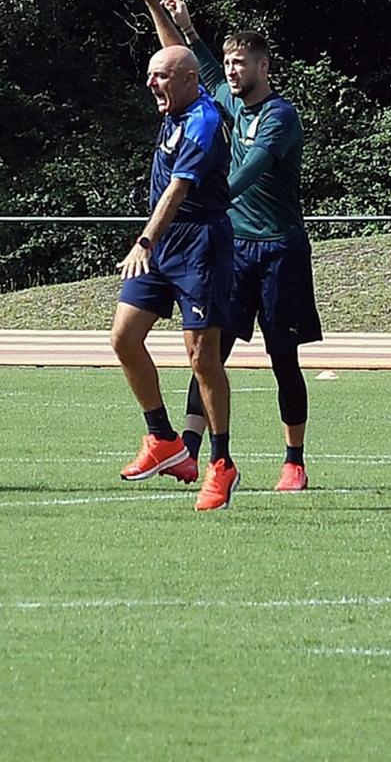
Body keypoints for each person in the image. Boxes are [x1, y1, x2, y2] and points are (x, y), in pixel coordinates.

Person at [138, 0, 328, 490]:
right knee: (207, 353)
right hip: (232, 248)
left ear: (263, 67)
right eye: (227, 63)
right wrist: (163, 9)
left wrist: (199, 195)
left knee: (281, 357)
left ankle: (294, 459)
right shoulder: (218, 98)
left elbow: (248, 172)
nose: (231, 70)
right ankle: (191, 453)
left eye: (240, 63)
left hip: (279, 250)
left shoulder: (279, 115)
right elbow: (183, 61)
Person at [108, 37, 240, 509]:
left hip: (200, 242)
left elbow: (178, 190)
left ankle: (221, 464)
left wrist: (145, 240)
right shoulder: (176, 107)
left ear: (189, 80)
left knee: (203, 359)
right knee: (123, 338)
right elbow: (174, 54)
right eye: (150, 74)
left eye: (160, 76)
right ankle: (162, 439)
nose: (151, 82)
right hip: (164, 243)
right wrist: (152, 4)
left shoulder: (204, 119)